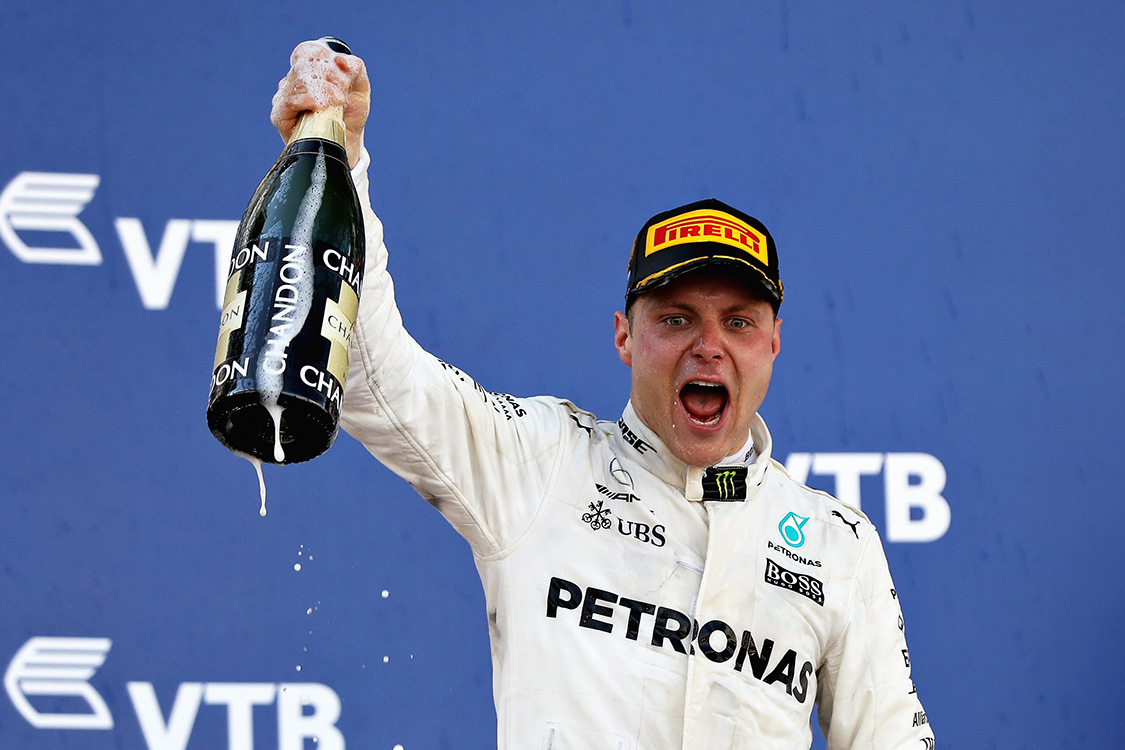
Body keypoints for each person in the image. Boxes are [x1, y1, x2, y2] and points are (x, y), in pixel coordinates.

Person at [271, 39, 935, 749]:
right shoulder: (540, 462)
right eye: (675, 319)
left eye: (738, 323)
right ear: (624, 336)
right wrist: (339, 159)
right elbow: (373, 372)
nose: (708, 346)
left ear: (773, 343)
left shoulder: (837, 544)